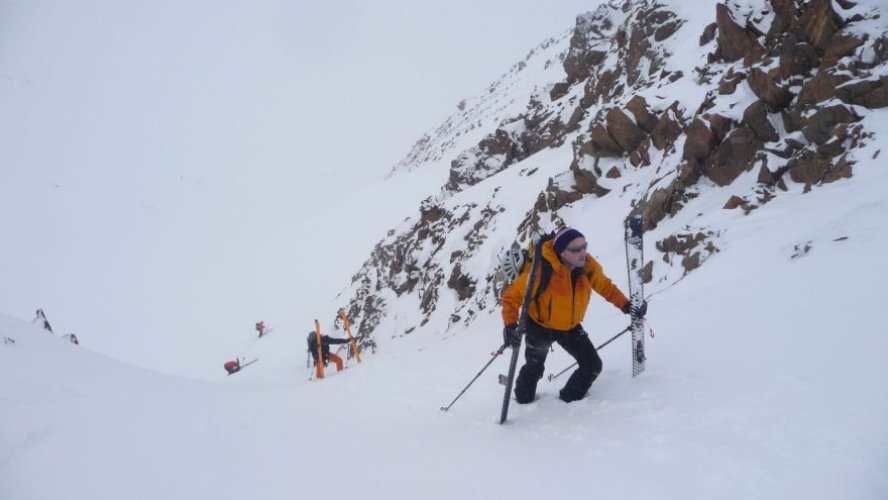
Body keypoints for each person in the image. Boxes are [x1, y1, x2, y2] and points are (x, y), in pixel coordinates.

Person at [501, 226, 647, 404]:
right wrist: (510, 325)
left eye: (585, 246)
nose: (583, 252)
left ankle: (567, 401)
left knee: (592, 366)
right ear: (562, 251)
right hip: (540, 326)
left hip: (570, 327)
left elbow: (605, 286)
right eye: (576, 249)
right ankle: (523, 400)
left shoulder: (586, 265)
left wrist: (626, 305)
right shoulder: (540, 271)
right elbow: (511, 297)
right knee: (534, 368)